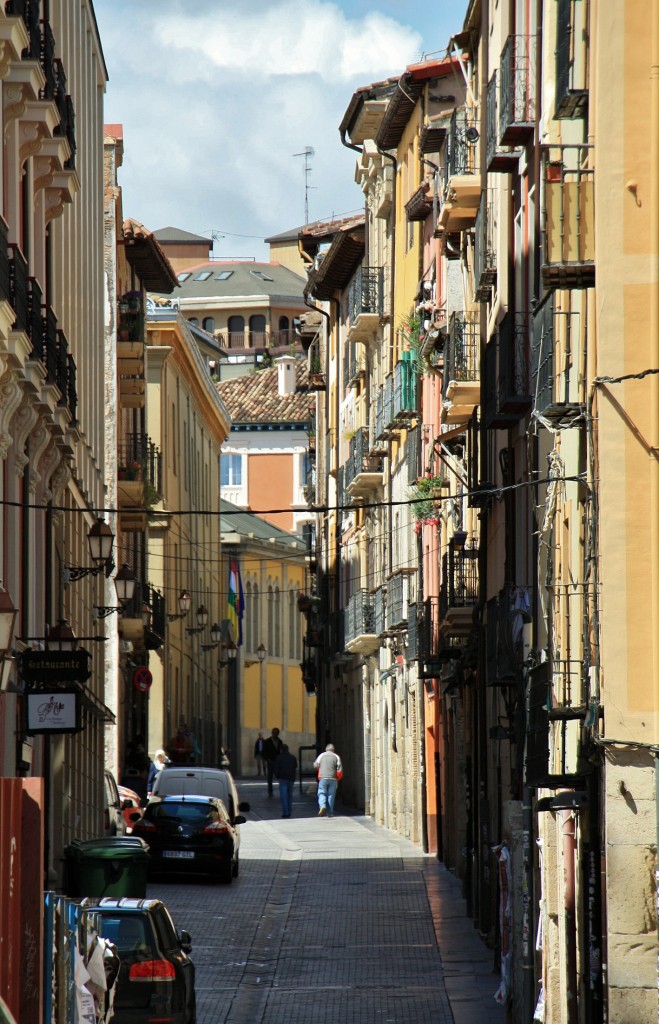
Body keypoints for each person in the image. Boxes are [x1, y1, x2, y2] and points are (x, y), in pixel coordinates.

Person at [314, 743, 342, 817]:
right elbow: (339, 769)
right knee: (331, 795)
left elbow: (315, 765)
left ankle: (322, 805)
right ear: (333, 750)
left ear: (326, 749)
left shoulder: (321, 755)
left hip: (323, 778)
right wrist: (337, 778)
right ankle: (329, 812)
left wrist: (320, 769)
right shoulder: (336, 756)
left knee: (321, 793)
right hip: (333, 778)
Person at [273, 744, 297, 818]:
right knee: (290, 796)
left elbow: (276, 768)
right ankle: (289, 811)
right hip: (291, 778)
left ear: (281, 750)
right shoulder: (293, 757)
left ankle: (285, 812)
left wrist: (277, 776)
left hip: (283, 778)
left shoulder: (279, 758)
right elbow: (295, 766)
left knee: (284, 796)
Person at [262, 727, 283, 796]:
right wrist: (267, 759)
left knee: (280, 776)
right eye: (274, 732)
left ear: (278, 733)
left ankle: (282, 789)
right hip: (270, 761)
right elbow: (264, 752)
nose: (275, 734)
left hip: (277, 762)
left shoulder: (280, 741)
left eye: (276, 733)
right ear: (272, 733)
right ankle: (270, 790)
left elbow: (281, 751)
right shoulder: (267, 741)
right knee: (270, 777)